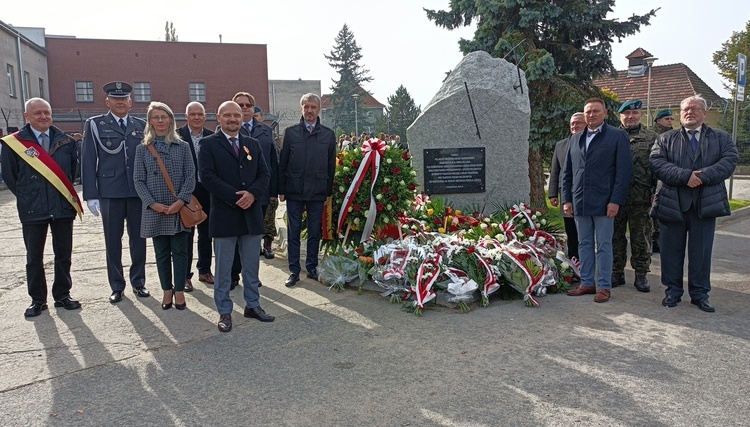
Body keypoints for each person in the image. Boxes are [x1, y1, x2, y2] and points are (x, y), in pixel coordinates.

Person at [650, 95, 738, 312]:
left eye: (695, 109)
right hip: (673, 203)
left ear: (704, 113)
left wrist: (704, 175)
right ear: (681, 114)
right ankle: (673, 291)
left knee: (701, 252)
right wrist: (685, 176)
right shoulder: (666, 139)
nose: (690, 112)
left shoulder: (721, 138)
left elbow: (729, 161)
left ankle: (700, 294)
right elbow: (657, 162)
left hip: (705, 204)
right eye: (686, 109)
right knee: (670, 251)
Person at [1, 98, 82, 317]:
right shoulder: (14, 143)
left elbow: (71, 173)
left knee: (63, 254)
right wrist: (30, 195)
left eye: (46, 112)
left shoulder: (66, 141)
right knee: (34, 257)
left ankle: (63, 295)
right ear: (27, 117)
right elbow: (10, 176)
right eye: (37, 113)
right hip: (32, 209)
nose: (43, 116)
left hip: (62, 207)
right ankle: (38, 300)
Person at [199, 101, 273, 332]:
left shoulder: (252, 143)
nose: (233, 119)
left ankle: (253, 305)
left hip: (251, 214)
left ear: (242, 118)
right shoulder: (208, 144)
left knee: (251, 266)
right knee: (223, 269)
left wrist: (252, 194)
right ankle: (224, 311)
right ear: (218, 118)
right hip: (224, 215)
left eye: (237, 115)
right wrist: (235, 197)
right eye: (228, 115)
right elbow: (207, 177)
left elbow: (264, 173)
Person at [81, 82, 150, 304]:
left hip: (137, 192)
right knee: (113, 241)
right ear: (107, 102)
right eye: (115, 99)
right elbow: (89, 160)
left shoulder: (141, 124)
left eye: (124, 99)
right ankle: (117, 285)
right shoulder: (95, 125)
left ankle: (138, 282)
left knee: (138, 241)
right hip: (110, 192)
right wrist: (91, 194)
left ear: (130, 102)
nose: (120, 102)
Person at [562, 97, 632, 303]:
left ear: (605, 113)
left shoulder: (617, 136)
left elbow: (623, 172)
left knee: (603, 245)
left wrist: (615, 201)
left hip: (605, 203)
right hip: (580, 201)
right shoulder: (575, 139)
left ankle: (603, 286)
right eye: (588, 112)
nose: (591, 115)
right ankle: (587, 282)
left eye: (595, 111)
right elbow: (567, 172)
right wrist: (567, 199)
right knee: (583, 244)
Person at [133, 102, 195, 310]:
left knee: (180, 252)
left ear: (171, 120)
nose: (160, 121)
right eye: (155, 117)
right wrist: (152, 204)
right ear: (149, 121)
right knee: (161, 253)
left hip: (178, 208)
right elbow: (138, 180)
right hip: (155, 209)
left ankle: (179, 291)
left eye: (164, 117)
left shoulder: (183, 147)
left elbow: (190, 176)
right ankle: (166, 290)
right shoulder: (142, 149)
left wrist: (181, 201)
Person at [278, 93, 336, 287]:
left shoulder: (328, 134)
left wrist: (328, 192)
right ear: (301, 108)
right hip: (294, 189)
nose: (309, 111)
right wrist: (281, 189)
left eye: (313, 107)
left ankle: (311, 266)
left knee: (314, 232)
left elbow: (330, 166)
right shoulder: (291, 132)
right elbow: (283, 162)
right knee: (293, 231)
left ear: (318, 109)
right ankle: (294, 270)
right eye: (306, 107)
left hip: (318, 190)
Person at [611, 100, 658, 293]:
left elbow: (658, 166)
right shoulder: (611, 136)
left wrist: (656, 192)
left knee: (641, 237)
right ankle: (616, 272)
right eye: (626, 113)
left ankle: (641, 274)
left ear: (640, 115)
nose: (630, 116)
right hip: (615, 198)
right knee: (615, 236)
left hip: (641, 197)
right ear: (620, 116)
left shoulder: (652, 137)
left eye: (634, 113)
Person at [233, 93, 278, 260]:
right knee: (240, 234)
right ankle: (237, 273)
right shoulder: (227, 129)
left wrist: (275, 190)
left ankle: (252, 274)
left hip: (262, 191)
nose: (245, 108)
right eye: (241, 105)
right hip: (237, 192)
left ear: (253, 108)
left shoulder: (265, 130)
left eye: (248, 105)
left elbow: (273, 161)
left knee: (257, 231)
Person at [178, 101, 214, 290]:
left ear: (205, 116)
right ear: (186, 116)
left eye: (200, 114)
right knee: (186, 234)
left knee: (206, 233)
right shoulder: (177, 136)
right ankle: (185, 276)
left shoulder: (211, 136)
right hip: (186, 191)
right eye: (192, 114)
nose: (196, 117)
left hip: (207, 191)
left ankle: (205, 270)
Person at [548, 112, 585, 261]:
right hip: (566, 196)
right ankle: (574, 262)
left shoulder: (589, 143)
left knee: (585, 233)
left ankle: (586, 261)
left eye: (579, 123)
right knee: (571, 233)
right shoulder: (561, 145)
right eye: (572, 124)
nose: (575, 126)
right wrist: (552, 194)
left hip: (585, 196)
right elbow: (555, 170)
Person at [650, 109, 674, 254]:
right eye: (667, 118)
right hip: (652, 178)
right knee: (651, 214)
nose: (670, 121)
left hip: (667, 178)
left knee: (662, 212)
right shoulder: (653, 135)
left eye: (671, 118)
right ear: (658, 121)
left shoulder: (674, 135)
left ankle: (659, 239)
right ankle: (653, 240)